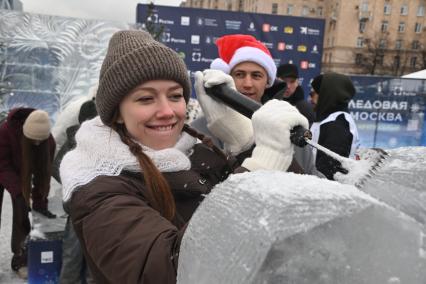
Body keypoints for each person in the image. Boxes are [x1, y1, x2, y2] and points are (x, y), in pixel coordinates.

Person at [59, 30, 308, 283]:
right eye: (146, 99)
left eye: (175, 96)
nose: (167, 111)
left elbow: (303, 216)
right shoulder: (98, 187)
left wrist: (245, 142)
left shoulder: (195, 153)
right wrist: (259, 170)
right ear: (118, 112)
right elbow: (170, 270)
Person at [192, 34, 318, 175]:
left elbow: (313, 180)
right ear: (228, 78)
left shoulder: (289, 124)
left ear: (268, 82)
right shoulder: (199, 129)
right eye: (240, 74)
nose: (247, 84)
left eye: (256, 76)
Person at [0, 108, 56, 278]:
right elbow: (2, 165)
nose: (38, 144)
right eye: (33, 141)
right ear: (25, 133)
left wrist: (40, 203)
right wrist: (18, 192)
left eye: (41, 141)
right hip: (3, 166)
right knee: (19, 201)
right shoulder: (5, 132)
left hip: (19, 169)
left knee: (22, 212)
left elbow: (42, 174)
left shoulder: (49, 142)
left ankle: (20, 258)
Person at [52, 98, 97, 284]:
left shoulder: (105, 142)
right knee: (77, 257)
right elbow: (56, 168)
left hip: (95, 210)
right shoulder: (74, 142)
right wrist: (74, 185)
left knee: (91, 260)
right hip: (80, 209)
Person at [309, 73, 360, 180]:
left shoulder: (338, 123)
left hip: (324, 191)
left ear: (327, 94)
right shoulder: (328, 119)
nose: (310, 97)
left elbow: (329, 170)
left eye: (315, 93)